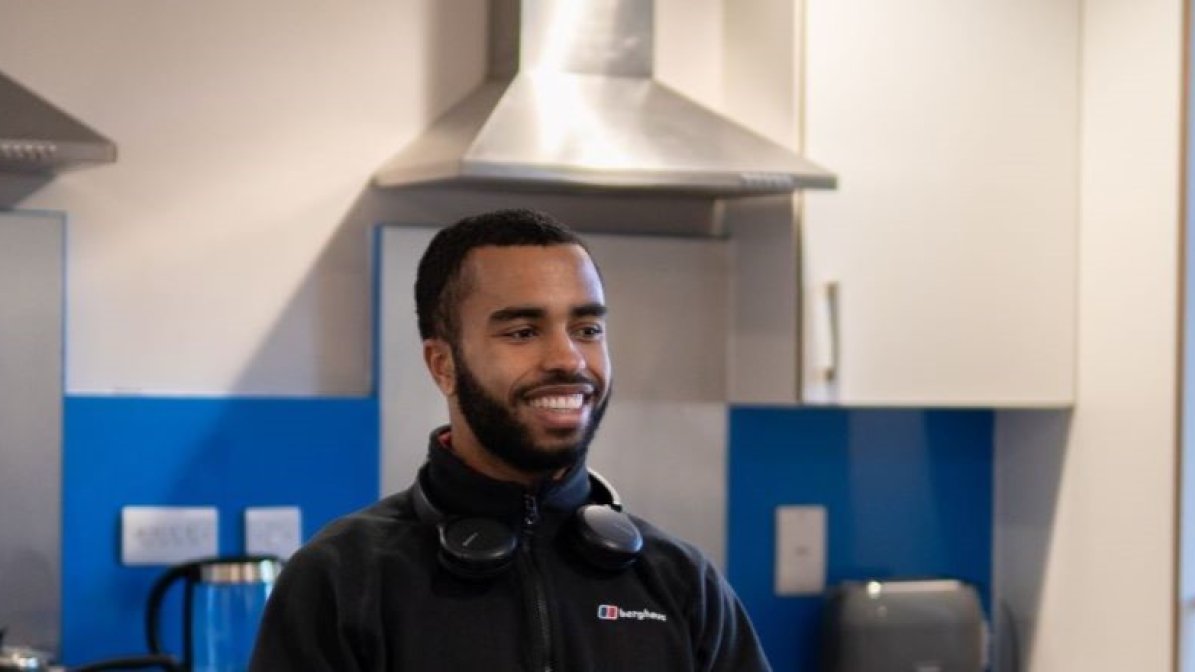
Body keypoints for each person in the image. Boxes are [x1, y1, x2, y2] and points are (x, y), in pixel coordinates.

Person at [249, 208, 772, 671]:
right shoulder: (344, 579)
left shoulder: (680, 582)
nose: (568, 359)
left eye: (587, 329)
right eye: (522, 332)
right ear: (443, 364)